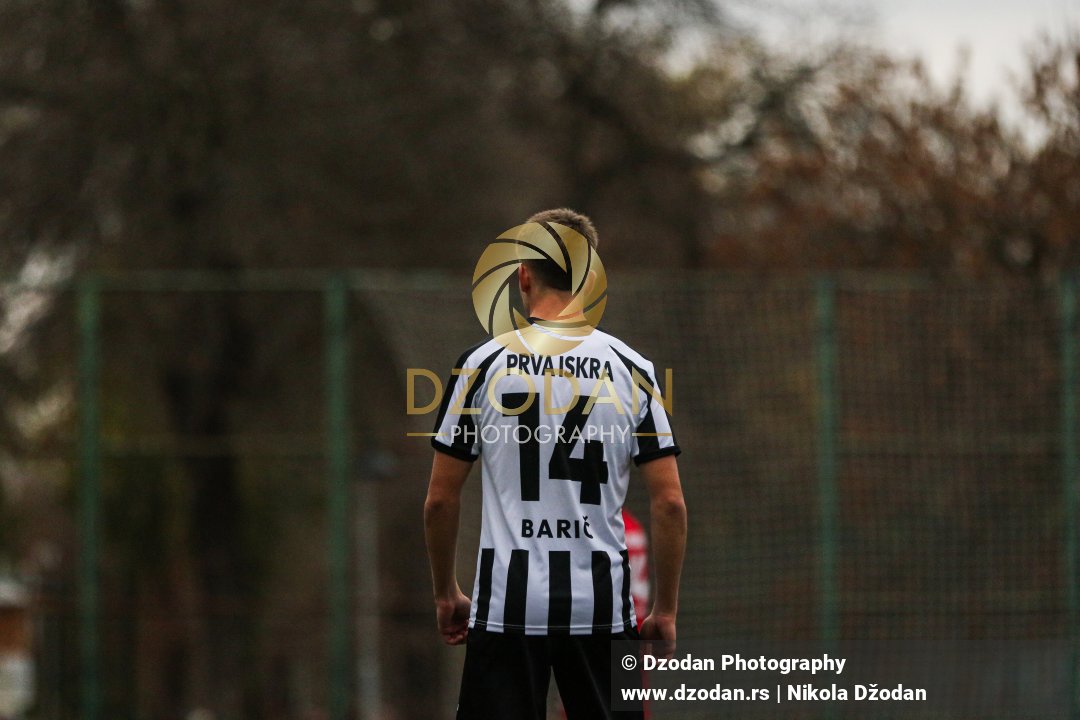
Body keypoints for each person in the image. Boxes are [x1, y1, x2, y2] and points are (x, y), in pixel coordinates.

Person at [424, 208, 687, 720]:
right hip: (602, 608)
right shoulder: (633, 369)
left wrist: (446, 593)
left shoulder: (480, 366)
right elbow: (670, 502)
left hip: (506, 605)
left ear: (523, 274)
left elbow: (439, 499)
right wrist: (665, 610)